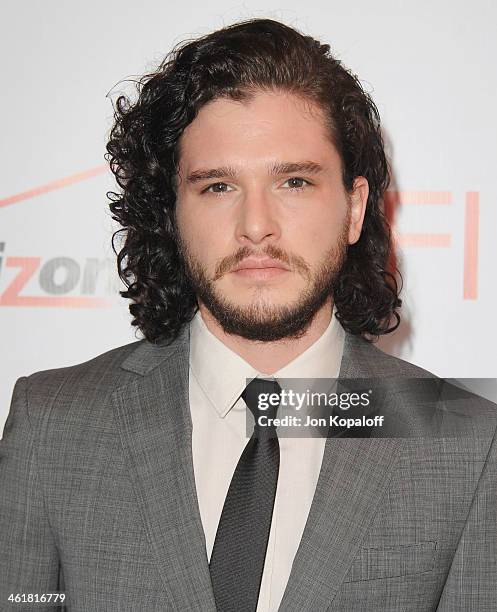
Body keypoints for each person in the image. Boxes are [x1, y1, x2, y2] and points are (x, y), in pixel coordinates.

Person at [1, 18, 496, 612]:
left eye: (293, 181)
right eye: (217, 187)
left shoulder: (467, 441)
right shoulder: (53, 423)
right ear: (171, 214)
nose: (256, 225)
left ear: (355, 207)